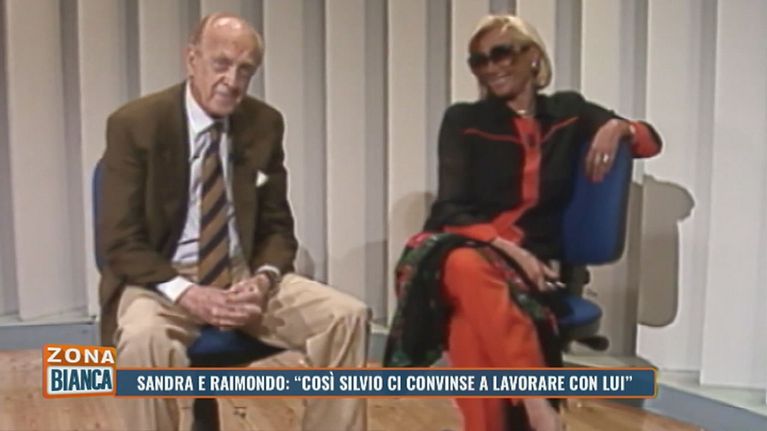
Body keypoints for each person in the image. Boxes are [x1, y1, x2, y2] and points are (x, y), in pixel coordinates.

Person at [97, 13, 369, 431]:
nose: (232, 81)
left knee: (346, 316)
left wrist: (263, 278)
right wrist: (188, 293)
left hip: (241, 277)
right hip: (161, 281)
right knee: (142, 341)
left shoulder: (263, 124)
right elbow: (119, 241)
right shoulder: (136, 124)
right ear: (192, 59)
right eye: (221, 64)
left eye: (245, 70)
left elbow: (277, 226)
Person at [422, 15, 662, 431]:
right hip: (465, 246)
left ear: (533, 56)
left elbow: (650, 142)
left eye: (501, 53)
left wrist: (618, 127)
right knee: (464, 265)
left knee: (469, 323)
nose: (491, 67)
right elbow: (449, 210)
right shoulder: (464, 120)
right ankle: (537, 407)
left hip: (530, 262)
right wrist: (511, 252)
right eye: (479, 60)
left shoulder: (567, 113)